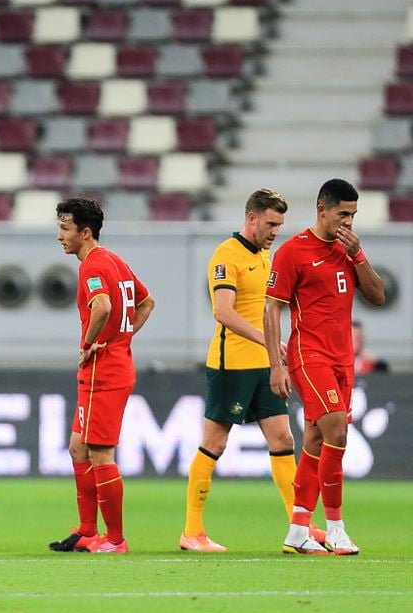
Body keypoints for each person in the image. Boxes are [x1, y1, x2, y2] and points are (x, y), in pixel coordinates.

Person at [179, 188, 328, 552]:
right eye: (271, 223)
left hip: (264, 366)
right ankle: (192, 532)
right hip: (232, 365)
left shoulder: (264, 255)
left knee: (283, 441)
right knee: (214, 443)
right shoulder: (226, 256)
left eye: (280, 224)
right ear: (252, 218)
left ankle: (301, 525)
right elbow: (223, 312)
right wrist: (266, 338)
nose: (276, 231)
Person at [265, 178, 386, 555]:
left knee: (317, 439)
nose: (348, 222)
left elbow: (378, 296)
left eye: (353, 215)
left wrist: (360, 256)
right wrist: (276, 365)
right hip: (308, 353)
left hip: (342, 358)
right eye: (342, 214)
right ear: (322, 210)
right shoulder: (294, 251)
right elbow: (272, 309)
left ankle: (299, 529)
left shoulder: (350, 251)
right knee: (337, 430)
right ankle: (335, 528)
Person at [48, 197, 154, 554]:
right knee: (78, 447)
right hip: (111, 367)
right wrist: (122, 338)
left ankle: (115, 540)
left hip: (103, 374)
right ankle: (88, 530)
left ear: (85, 232)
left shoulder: (92, 266)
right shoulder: (115, 261)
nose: (60, 235)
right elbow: (146, 302)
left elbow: (103, 306)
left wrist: (91, 342)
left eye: (66, 228)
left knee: (101, 455)